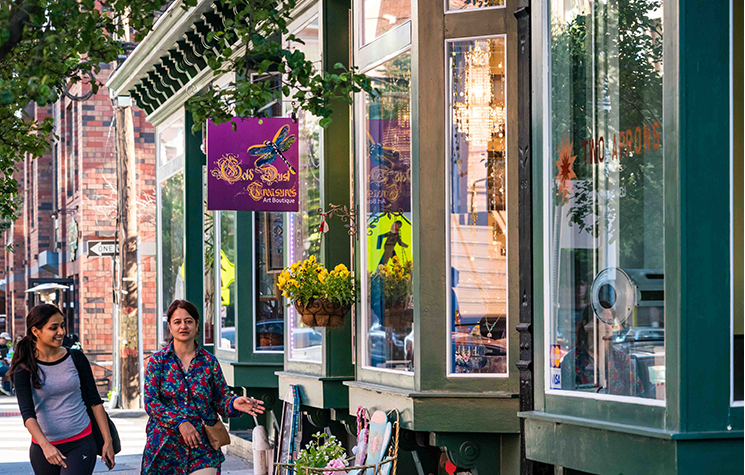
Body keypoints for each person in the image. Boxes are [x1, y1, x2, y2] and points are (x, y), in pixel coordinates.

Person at [142, 300, 265, 475]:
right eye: (177, 322)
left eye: (188, 321)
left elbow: (220, 398)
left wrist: (234, 403)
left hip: (203, 447)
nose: (183, 326)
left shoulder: (209, 362)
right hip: (165, 448)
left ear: (197, 325)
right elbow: (151, 402)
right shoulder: (158, 362)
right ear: (169, 326)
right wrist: (180, 423)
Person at [8, 304, 115, 474]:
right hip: (44, 447)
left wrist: (107, 440)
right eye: (53, 328)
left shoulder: (75, 358)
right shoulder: (25, 368)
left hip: (81, 442)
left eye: (62, 325)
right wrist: (45, 446)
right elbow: (27, 414)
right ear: (36, 331)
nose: (61, 332)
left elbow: (95, 402)